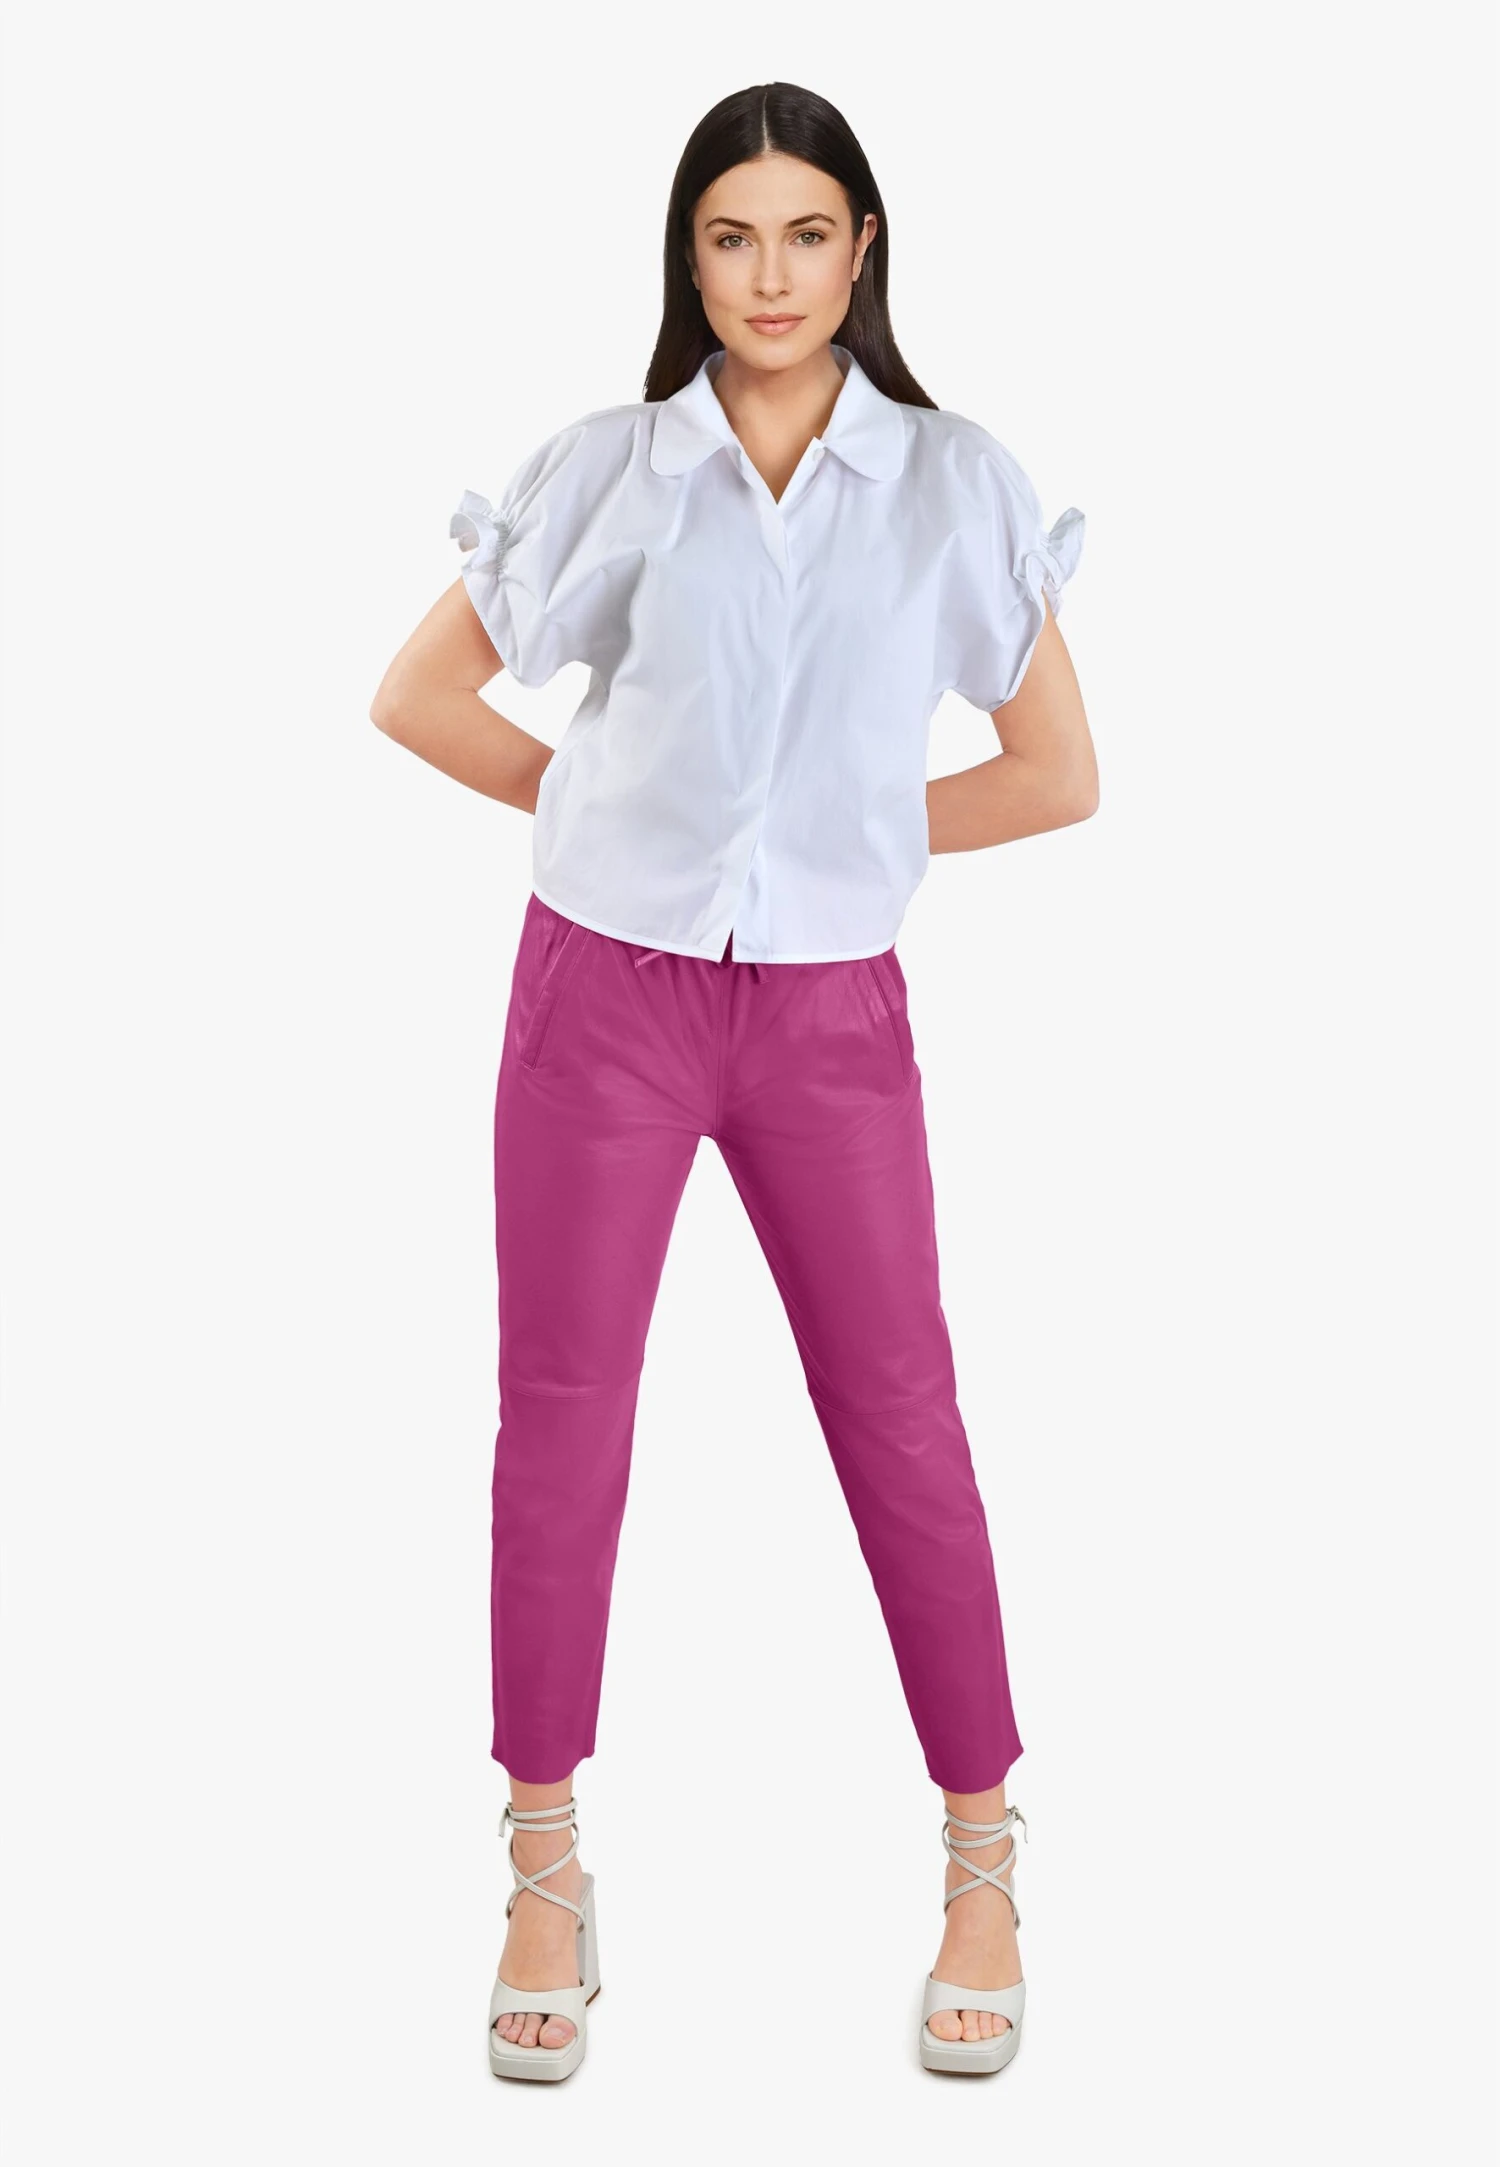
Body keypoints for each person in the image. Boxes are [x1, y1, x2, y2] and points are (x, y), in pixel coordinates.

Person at [370, 80, 1095, 2083]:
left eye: (805, 232)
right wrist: (611, 812)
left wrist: (832, 838)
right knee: (561, 1418)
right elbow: (418, 693)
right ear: (688, 261)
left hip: (829, 1016)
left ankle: (982, 1860)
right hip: (601, 997)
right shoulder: (615, 467)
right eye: (729, 236)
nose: (769, 275)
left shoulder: (950, 484)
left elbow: (1058, 771)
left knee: (902, 1417)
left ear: (864, 249)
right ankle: (543, 1864)